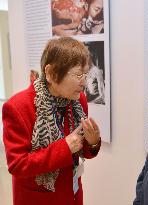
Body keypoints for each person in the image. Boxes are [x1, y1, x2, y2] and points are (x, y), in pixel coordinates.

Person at [2, 37, 101, 205]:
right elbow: (17, 165)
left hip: (72, 194)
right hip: (37, 199)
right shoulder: (17, 107)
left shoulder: (78, 100)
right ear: (51, 73)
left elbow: (79, 148)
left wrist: (92, 143)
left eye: (85, 73)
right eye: (78, 74)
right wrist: (64, 148)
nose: (84, 81)